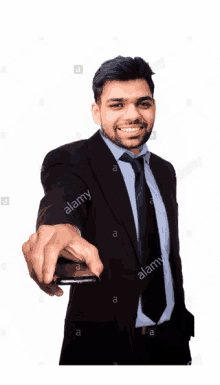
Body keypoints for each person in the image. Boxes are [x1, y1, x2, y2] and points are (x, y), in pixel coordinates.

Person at [22, 55, 194, 365]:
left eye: (144, 103)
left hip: (172, 343)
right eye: (117, 105)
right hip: (104, 348)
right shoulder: (72, 160)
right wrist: (59, 225)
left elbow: (167, 254)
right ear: (96, 111)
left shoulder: (164, 171)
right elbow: (62, 194)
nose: (133, 115)